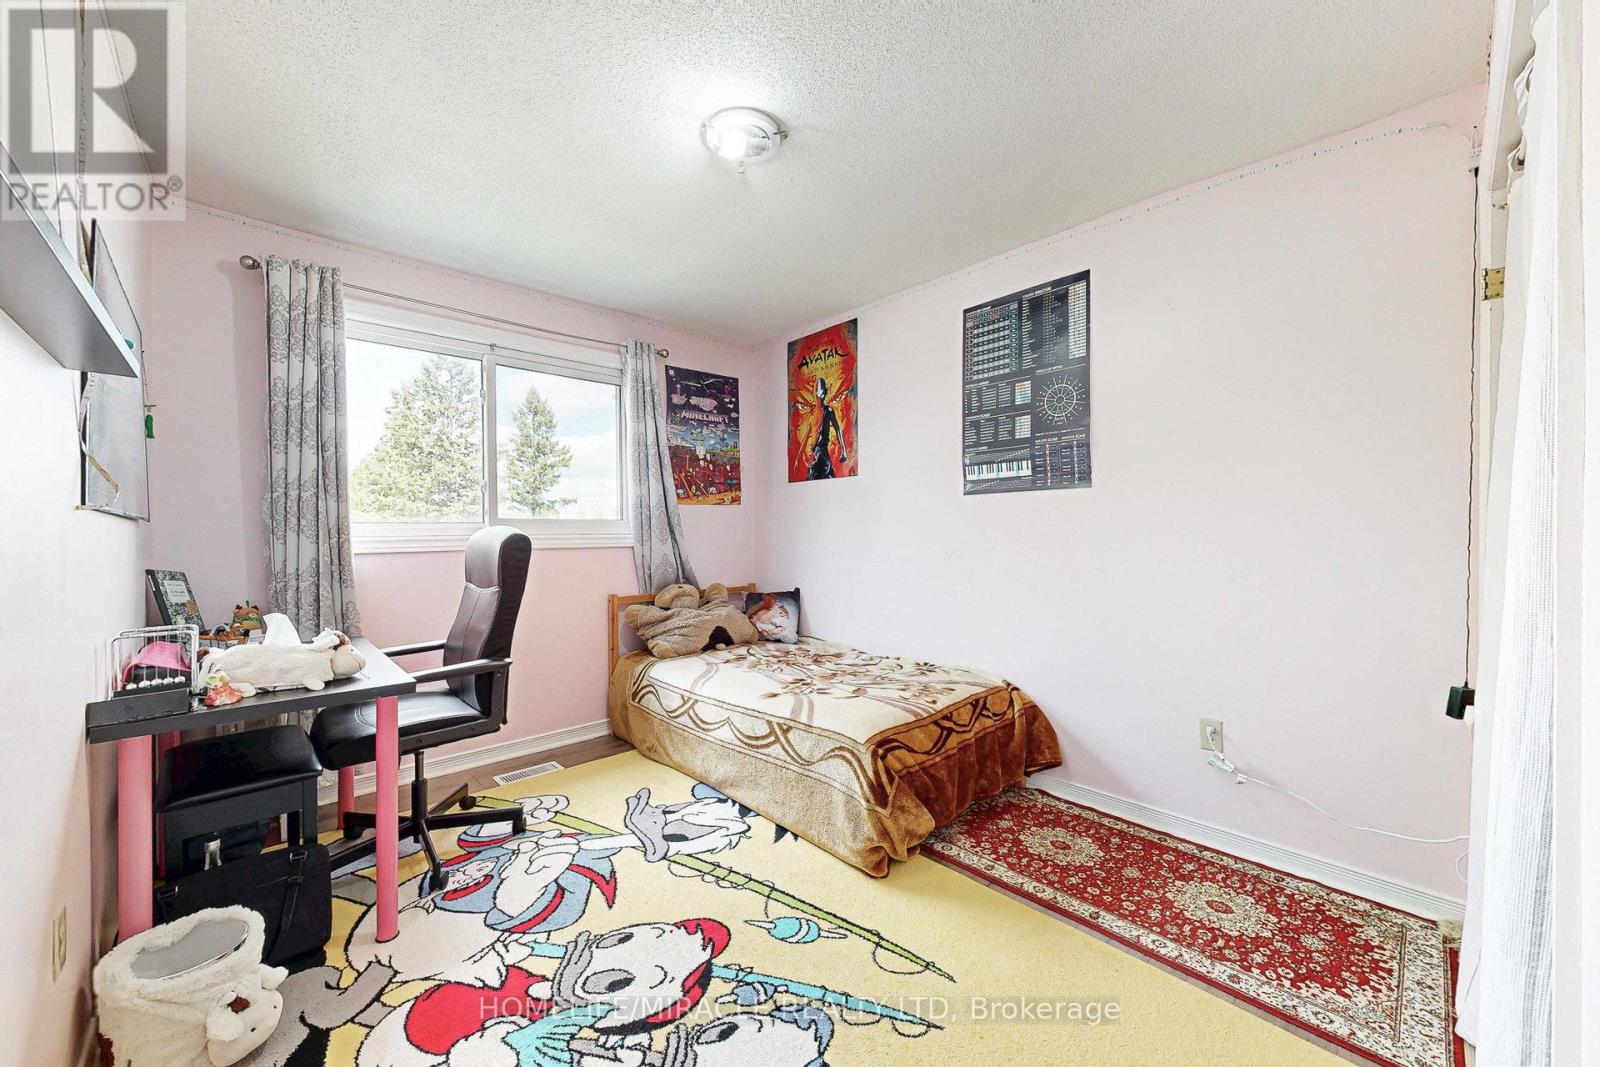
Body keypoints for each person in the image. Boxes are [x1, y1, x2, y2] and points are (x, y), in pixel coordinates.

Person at [804, 377, 846, 479]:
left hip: (823, 452)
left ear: (825, 392)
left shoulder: (828, 410)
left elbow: (837, 428)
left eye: (822, 393)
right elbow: (806, 435)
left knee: (828, 475)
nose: (819, 397)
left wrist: (844, 450)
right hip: (815, 453)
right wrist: (797, 458)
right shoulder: (814, 413)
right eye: (817, 393)